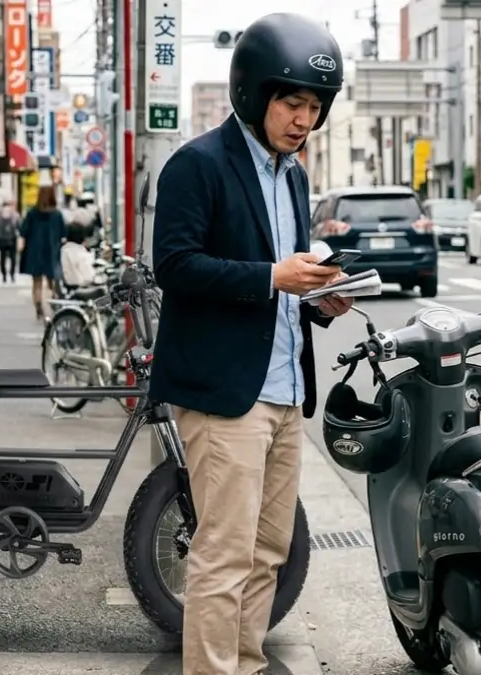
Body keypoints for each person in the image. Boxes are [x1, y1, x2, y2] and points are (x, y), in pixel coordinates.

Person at [149, 13, 350, 675]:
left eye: (314, 107)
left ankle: (246, 660)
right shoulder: (197, 164)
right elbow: (174, 266)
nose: (303, 119)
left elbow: (287, 273)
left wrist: (317, 295)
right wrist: (273, 277)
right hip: (225, 394)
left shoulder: (293, 175)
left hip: (286, 389)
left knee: (270, 548)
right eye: (292, 101)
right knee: (224, 553)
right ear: (253, 93)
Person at [19, 185, 66, 321]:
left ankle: (38, 306)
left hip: (34, 251)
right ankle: (52, 305)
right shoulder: (57, 214)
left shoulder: (32, 213)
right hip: (52, 251)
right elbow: (63, 234)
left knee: (37, 282)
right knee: (52, 282)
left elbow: (23, 231)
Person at [0, 199, 21, 283]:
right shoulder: (15, 215)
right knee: (13, 258)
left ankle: (4, 275)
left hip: (1, 238)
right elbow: (19, 227)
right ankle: (12, 275)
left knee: (2, 258)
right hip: (12, 238)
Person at [59, 225, 95, 291]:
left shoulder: (63, 250)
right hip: (82, 288)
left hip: (67, 287)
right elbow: (88, 277)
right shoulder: (80, 251)